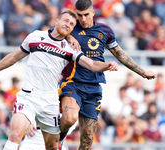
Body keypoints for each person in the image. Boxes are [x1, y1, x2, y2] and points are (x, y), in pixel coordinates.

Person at [0, 9, 119, 150]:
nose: (68, 24)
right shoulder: (35, 37)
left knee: (53, 146)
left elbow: (92, 64)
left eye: (72, 24)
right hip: (28, 96)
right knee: (15, 135)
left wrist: (107, 65)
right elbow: (13, 57)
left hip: (50, 102)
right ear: (57, 21)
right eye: (66, 20)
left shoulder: (70, 48)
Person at [58, 0, 156, 149]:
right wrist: (68, 36)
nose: (83, 19)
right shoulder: (70, 27)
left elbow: (121, 55)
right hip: (72, 82)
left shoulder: (105, 31)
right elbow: (54, 33)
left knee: (87, 141)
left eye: (86, 15)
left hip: (93, 88)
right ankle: (58, 140)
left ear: (93, 12)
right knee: (70, 118)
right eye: (79, 15)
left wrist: (142, 72)